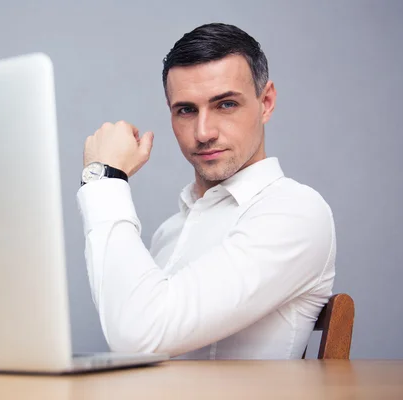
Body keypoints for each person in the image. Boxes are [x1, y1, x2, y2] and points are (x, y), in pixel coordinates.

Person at [77, 22, 336, 359]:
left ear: (266, 102)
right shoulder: (169, 232)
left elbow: (138, 336)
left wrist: (105, 180)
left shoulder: (296, 213)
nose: (203, 132)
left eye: (226, 104)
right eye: (186, 110)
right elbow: (134, 346)